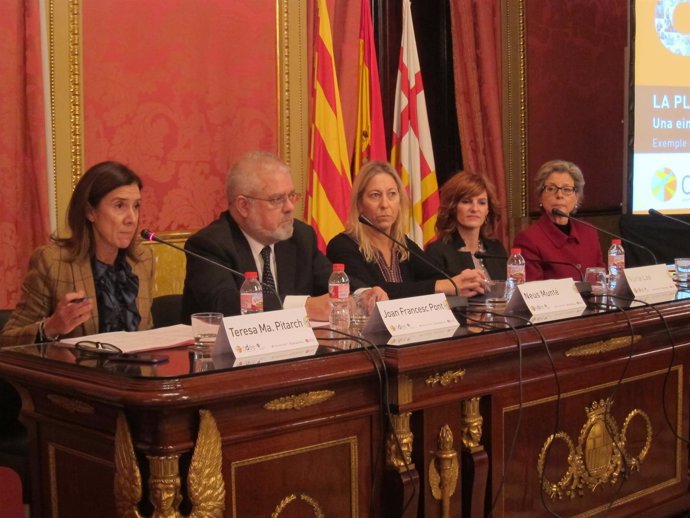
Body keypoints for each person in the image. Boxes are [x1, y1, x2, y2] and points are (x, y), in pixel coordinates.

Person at [181, 151, 386, 322]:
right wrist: (303, 307)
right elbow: (226, 305)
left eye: (291, 196)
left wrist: (363, 294)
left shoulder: (300, 237)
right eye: (277, 199)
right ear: (244, 206)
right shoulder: (210, 245)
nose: (289, 207)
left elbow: (329, 278)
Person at [1, 161, 154, 346]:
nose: (132, 219)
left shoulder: (142, 260)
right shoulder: (52, 262)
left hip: (136, 373)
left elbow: (147, 334)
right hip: (78, 372)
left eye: (136, 206)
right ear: (90, 212)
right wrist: (51, 327)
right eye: (119, 205)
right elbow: (7, 340)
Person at [327, 160, 485, 299]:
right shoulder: (342, 246)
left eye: (392, 194)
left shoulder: (402, 244)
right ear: (360, 204)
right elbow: (371, 291)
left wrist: (464, 280)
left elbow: (436, 275)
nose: (385, 204)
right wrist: (446, 286)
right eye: (375, 195)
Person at [512, 159, 604, 281]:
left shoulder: (589, 232)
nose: (559, 195)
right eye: (551, 189)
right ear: (540, 196)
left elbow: (601, 281)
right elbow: (533, 291)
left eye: (567, 189)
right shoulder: (528, 240)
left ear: (576, 197)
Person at [426, 171, 507, 280]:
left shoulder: (496, 248)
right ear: (453, 207)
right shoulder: (437, 252)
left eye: (482, 203)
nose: (474, 209)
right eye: (466, 201)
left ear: (488, 210)